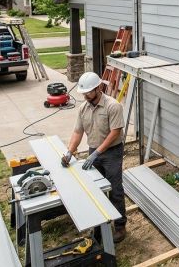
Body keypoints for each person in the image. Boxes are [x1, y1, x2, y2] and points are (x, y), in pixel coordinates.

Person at [61, 71, 127, 243]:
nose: (86, 96)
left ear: (98, 88)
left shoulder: (113, 106)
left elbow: (115, 132)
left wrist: (98, 152)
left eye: (89, 92)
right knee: (95, 190)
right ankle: (99, 226)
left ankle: (120, 226)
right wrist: (70, 151)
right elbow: (78, 131)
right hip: (94, 152)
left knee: (115, 189)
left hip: (112, 152)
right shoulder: (83, 108)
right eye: (84, 93)